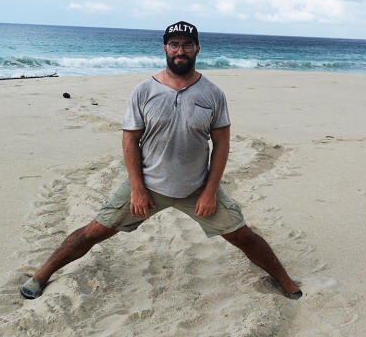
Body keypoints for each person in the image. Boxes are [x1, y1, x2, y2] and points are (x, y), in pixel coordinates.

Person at [20, 21, 302, 300]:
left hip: (196, 188)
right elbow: (130, 140)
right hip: (148, 186)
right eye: (175, 45)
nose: (181, 50)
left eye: (187, 45)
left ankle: (286, 281)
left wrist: (210, 191)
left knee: (243, 236)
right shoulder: (144, 91)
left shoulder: (213, 93)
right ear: (166, 48)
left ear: (197, 49)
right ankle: (41, 275)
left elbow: (222, 143)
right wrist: (138, 188)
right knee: (95, 230)